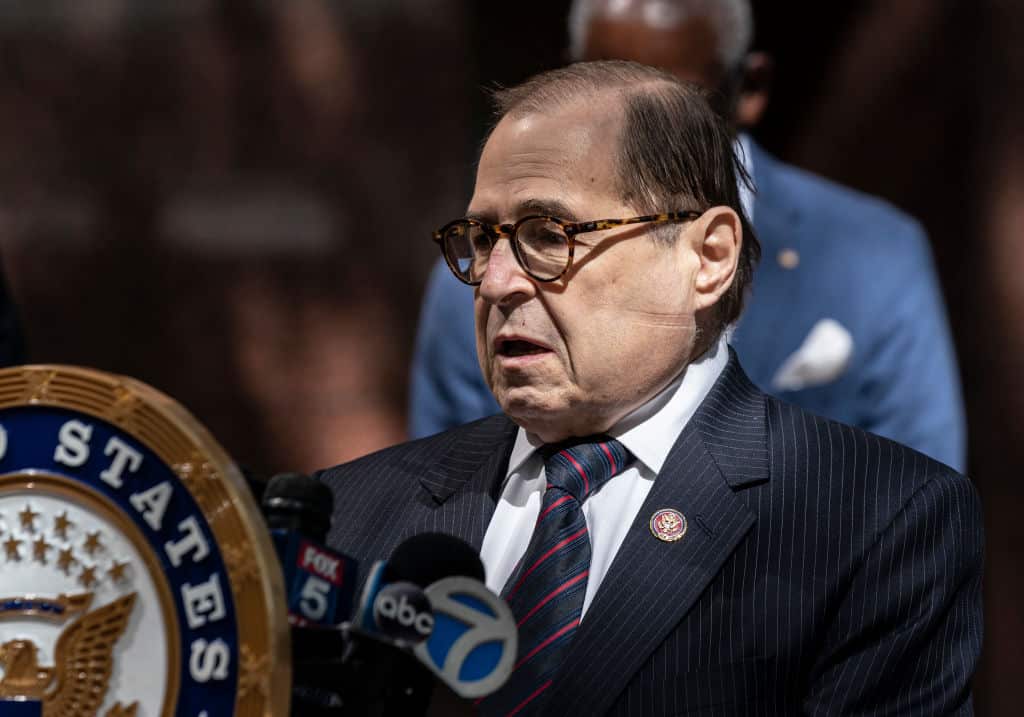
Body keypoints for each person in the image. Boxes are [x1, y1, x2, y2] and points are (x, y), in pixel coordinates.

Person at [320, 61, 982, 715]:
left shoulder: (877, 521)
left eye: (548, 234)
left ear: (709, 257)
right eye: (483, 238)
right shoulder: (344, 515)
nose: (496, 282)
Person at [408, 0, 967, 473]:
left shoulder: (871, 254)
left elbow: (917, 491)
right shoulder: (483, 275)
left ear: (749, 88)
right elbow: (448, 494)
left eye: (680, 101)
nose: (635, 127)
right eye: (604, 86)